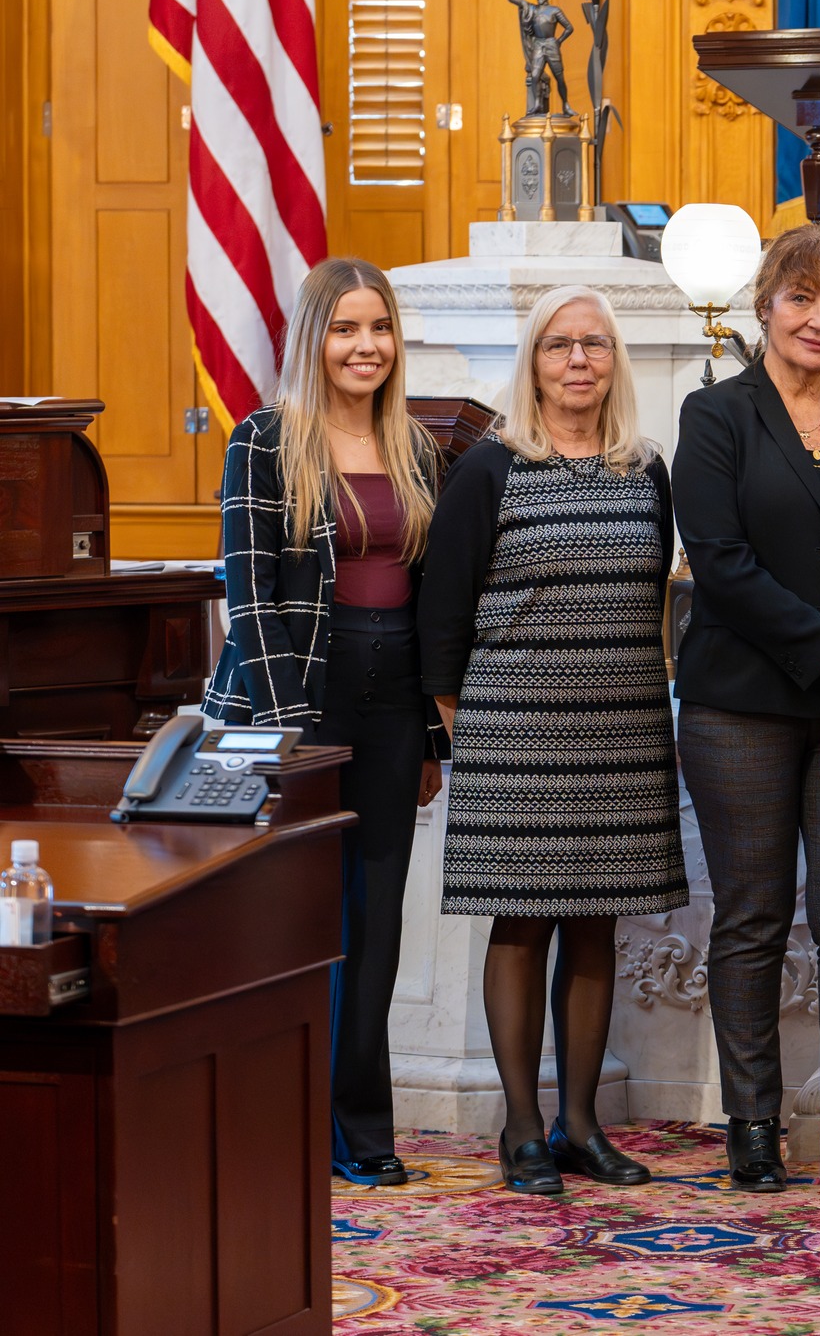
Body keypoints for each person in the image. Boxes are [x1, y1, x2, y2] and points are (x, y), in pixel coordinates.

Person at [419, 285, 686, 1195]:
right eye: (560, 345)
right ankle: (523, 1129)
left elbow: (658, 603)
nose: (578, 360)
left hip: (621, 728)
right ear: (532, 361)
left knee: (597, 923)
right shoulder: (490, 468)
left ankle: (581, 1126)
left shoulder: (646, 469)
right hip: (511, 731)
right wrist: (466, 733)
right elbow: (442, 617)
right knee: (523, 921)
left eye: (596, 345)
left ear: (615, 362)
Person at [673, 225, 820, 1204]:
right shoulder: (716, 416)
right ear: (765, 304)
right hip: (738, 707)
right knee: (752, 917)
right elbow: (719, 567)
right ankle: (752, 1126)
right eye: (801, 298)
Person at [203, 257, 444, 1189]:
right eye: (345, 329)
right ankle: (286, 1120)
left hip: (392, 698)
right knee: (302, 919)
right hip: (297, 694)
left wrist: (431, 733)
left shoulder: (420, 448)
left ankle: (361, 1126)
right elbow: (249, 597)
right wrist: (288, 726)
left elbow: (427, 603)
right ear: (314, 339)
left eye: (378, 327)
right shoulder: (264, 440)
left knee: (377, 918)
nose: (365, 346)